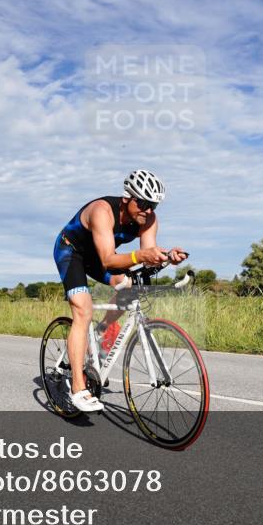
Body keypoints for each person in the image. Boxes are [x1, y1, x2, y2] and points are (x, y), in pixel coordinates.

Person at [53, 169, 188, 412]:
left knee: (130, 288)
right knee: (83, 310)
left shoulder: (148, 219)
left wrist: (166, 256)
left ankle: (99, 333)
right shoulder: (102, 211)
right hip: (71, 252)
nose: (148, 210)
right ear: (128, 198)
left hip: (100, 257)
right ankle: (77, 388)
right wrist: (141, 255)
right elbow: (108, 260)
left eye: (154, 205)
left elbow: (147, 256)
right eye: (144, 203)